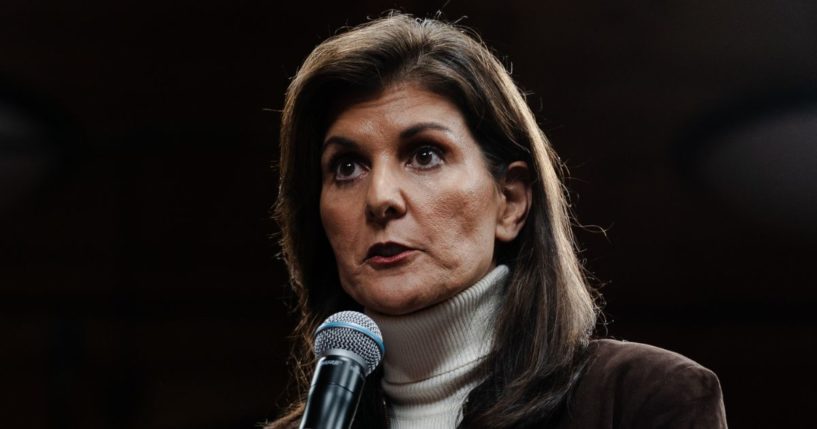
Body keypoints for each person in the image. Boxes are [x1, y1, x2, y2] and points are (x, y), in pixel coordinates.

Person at [267, 12, 727, 429]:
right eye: (346, 166)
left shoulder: (641, 400)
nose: (381, 197)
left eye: (425, 155)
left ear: (510, 202)